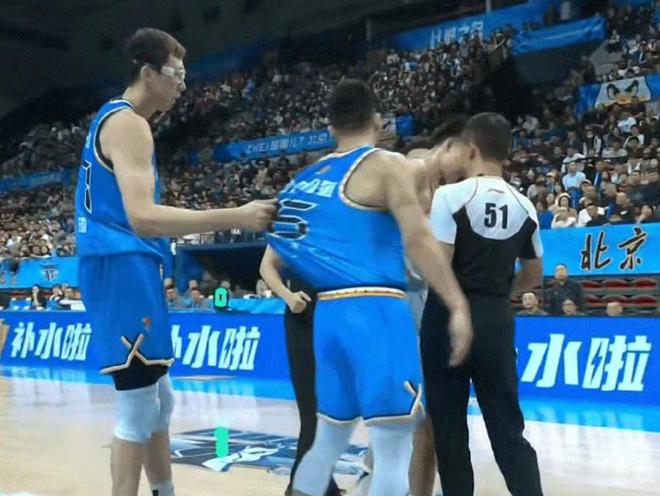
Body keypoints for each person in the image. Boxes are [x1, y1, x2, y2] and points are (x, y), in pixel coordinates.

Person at [75, 28, 275, 496]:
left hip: (127, 264)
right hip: (121, 264)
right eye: (177, 74)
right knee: (137, 407)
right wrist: (236, 215)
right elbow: (143, 218)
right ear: (148, 73)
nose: (184, 85)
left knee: (159, 400)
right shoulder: (129, 123)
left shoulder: (114, 118)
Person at [267, 79, 473, 496]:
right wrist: (457, 305)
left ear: (330, 127)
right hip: (377, 312)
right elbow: (418, 239)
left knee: (327, 441)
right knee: (393, 448)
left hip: (328, 315)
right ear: (378, 120)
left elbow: (280, 247)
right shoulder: (386, 164)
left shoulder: (305, 179)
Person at [421, 113, 544, 496]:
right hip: (496, 318)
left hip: (447, 317)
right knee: (508, 428)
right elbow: (534, 274)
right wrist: (499, 292)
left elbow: (439, 266)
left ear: (471, 149)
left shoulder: (450, 196)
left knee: (450, 431)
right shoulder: (526, 205)